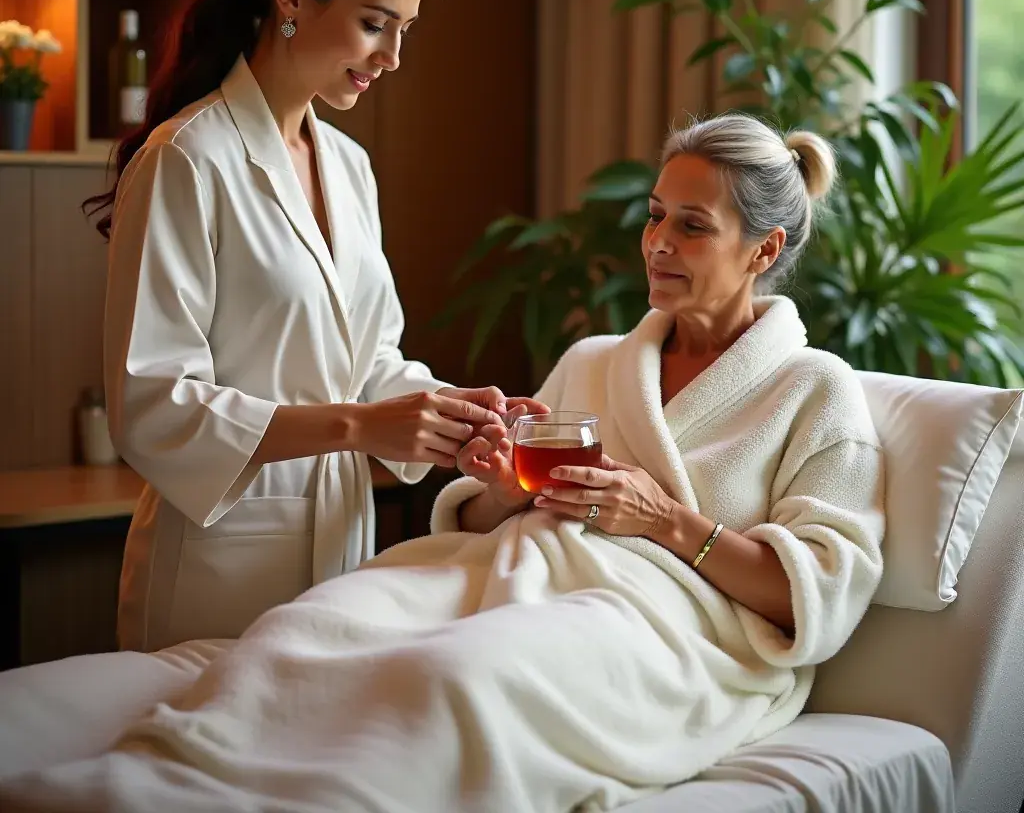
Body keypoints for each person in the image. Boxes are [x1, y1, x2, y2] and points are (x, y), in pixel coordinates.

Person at [16, 114, 885, 812]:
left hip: (665, 630)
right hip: (500, 569)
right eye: (656, 214)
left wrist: (661, 518)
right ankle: (151, 781)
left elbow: (812, 592)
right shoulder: (597, 359)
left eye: (693, 227)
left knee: (455, 673)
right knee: (315, 627)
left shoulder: (816, 392)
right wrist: (505, 490)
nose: (658, 242)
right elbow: (478, 510)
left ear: (764, 251)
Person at [81, 0, 544, 655]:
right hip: (216, 569)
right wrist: (362, 425)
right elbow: (153, 403)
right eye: (375, 24)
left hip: (339, 555)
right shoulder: (188, 160)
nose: (393, 58)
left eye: (406, 32)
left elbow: (370, 362)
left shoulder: (350, 166)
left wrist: (449, 416)